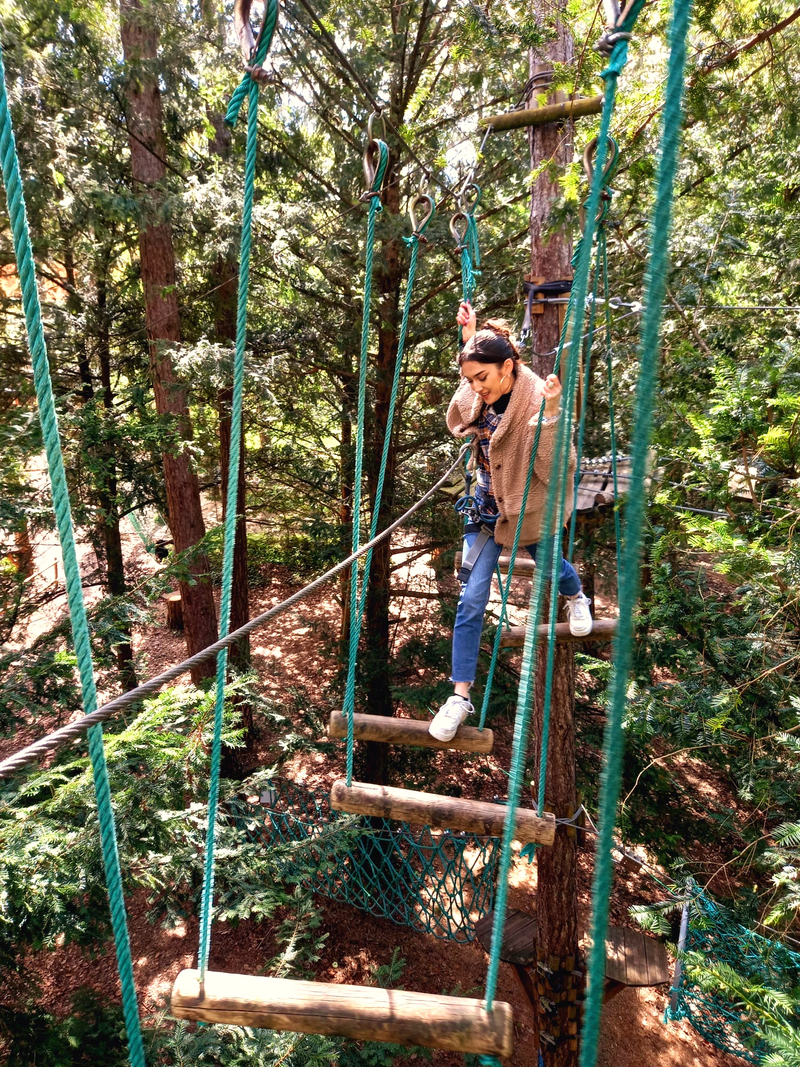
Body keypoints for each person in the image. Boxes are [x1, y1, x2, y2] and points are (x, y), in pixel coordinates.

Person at [429, 302, 593, 742]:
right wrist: (470, 341)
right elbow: (457, 417)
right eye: (470, 379)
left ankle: (576, 596)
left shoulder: (538, 394)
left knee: (552, 566)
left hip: (530, 505)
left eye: (482, 377)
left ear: (508, 366)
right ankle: (460, 697)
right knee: (470, 600)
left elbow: (559, 468)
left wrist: (553, 414)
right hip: (484, 505)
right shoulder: (480, 385)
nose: (476, 387)